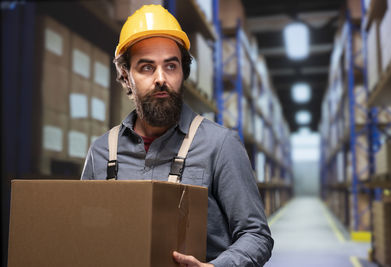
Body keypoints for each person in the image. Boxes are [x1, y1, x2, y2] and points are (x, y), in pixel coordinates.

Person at [81, 4, 273, 267]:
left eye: (170, 66)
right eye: (147, 68)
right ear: (126, 76)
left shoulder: (220, 146)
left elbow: (256, 235)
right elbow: (83, 233)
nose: (161, 78)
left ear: (183, 72)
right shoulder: (102, 151)